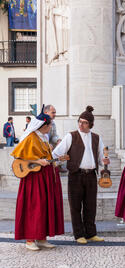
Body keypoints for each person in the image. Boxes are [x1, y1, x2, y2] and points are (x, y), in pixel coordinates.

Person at [52, 106, 110, 244]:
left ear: (90, 124)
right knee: (75, 206)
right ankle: (79, 235)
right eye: (80, 121)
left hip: (91, 175)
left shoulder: (96, 138)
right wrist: (60, 161)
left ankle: (91, 233)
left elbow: (102, 156)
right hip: (75, 175)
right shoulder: (71, 136)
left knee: (91, 206)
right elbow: (56, 153)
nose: (81, 124)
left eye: (84, 122)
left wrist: (105, 161)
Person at [11, 113, 65, 251]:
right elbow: (18, 155)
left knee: (44, 206)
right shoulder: (30, 138)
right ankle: (30, 239)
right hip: (33, 179)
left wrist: (55, 161)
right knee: (33, 206)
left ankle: (41, 237)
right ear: (43, 126)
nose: (51, 127)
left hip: (44, 177)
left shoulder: (43, 138)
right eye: (49, 125)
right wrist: (37, 161)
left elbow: (46, 157)